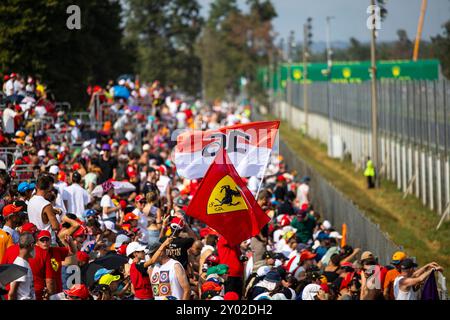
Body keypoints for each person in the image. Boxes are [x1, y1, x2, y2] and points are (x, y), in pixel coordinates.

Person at [9, 233, 36, 300]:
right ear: (31, 245)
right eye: (34, 245)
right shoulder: (20, 264)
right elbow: (12, 293)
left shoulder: (24, 263)